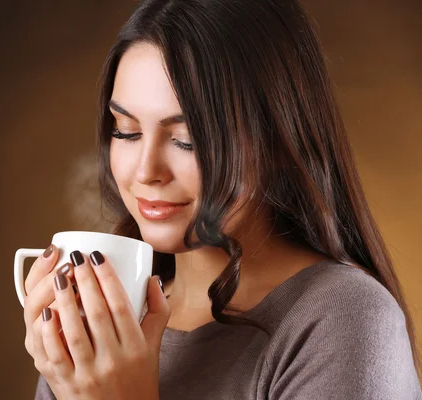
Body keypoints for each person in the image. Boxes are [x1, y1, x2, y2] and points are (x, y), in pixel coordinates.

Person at [24, 0, 422, 398]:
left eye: (187, 140)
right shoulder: (100, 321)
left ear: (281, 141)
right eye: (126, 131)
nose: (145, 172)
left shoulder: (343, 318)